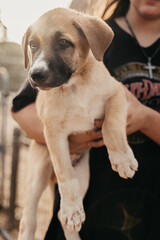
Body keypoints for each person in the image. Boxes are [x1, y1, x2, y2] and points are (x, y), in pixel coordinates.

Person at [11, 0, 160, 239]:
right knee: (35, 200)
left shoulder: (88, 32)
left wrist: (145, 118)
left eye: (63, 44)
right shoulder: (82, 29)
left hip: (151, 208)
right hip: (90, 204)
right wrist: (68, 140)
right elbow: (22, 107)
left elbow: (114, 95)